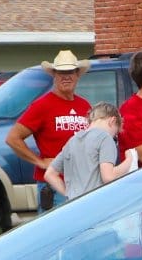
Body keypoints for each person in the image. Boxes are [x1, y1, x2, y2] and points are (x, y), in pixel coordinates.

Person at [6, 50, 93, 210]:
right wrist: (39, 161)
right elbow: (13, 138)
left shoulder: (84, 105)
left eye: (70, 72)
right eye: (61, 72)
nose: (66, 76)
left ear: (77, 75)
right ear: (54, 75)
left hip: (82, 183)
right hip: (53, 185)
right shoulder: (42, 105)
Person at [45, 103, 136, 202]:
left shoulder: (72, 141)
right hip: (95, 205)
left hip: (73, 205)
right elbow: (108, 177)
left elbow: (50, 174)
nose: (114, 138)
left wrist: (69, 194)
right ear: (112, 121)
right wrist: (130, 160)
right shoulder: (105, 138)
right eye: (115, 134)